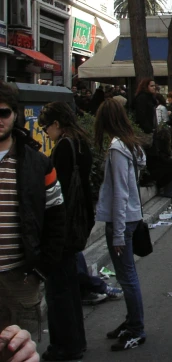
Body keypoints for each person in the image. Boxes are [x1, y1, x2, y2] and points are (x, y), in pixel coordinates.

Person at [0, 82, 65, 344]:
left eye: (3, 113)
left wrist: (40, 270)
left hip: (20, 279)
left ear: (15, 114)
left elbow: (57, 219)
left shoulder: (36, 164)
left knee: (21, 351)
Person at [37, 103, 94, 361]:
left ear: (57, 124)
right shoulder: (81, 142)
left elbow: (56, 192)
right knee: (69, 286)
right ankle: (76, 341)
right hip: (78, 224)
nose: (46, 132)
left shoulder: (63, 147)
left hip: (63, 226)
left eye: (46, 127)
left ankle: (65, 345)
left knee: (58, 288)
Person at [94, 99, 147, 351]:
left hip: (122, 219)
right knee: (129, 276)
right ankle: (132, 322)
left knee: (127, 277)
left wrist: (116, 233)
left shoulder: (117, 148)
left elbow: (119, 192)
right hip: (131, 216)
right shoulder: (131, 145)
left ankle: (136, 327)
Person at [147, 127, 172, 199]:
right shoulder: (158, 148)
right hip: (156, 174)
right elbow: (165, 160)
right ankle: (170, 192)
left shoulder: (160, 147)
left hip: (158, 171)